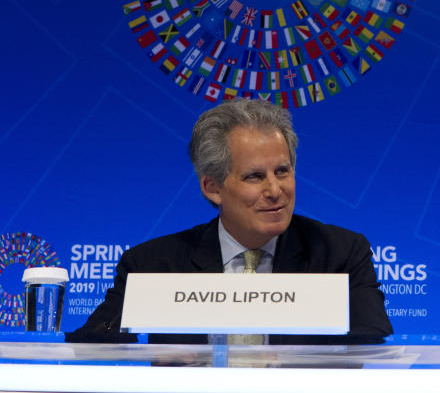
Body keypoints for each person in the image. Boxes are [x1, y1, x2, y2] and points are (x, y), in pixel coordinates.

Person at [68, 98, 392, 344]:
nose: (275, 190)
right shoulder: (151, 266)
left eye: (282, 171)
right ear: (213, 187)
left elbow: (375, 348)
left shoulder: (341, 254)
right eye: (254, 176)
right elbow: (91, 349)